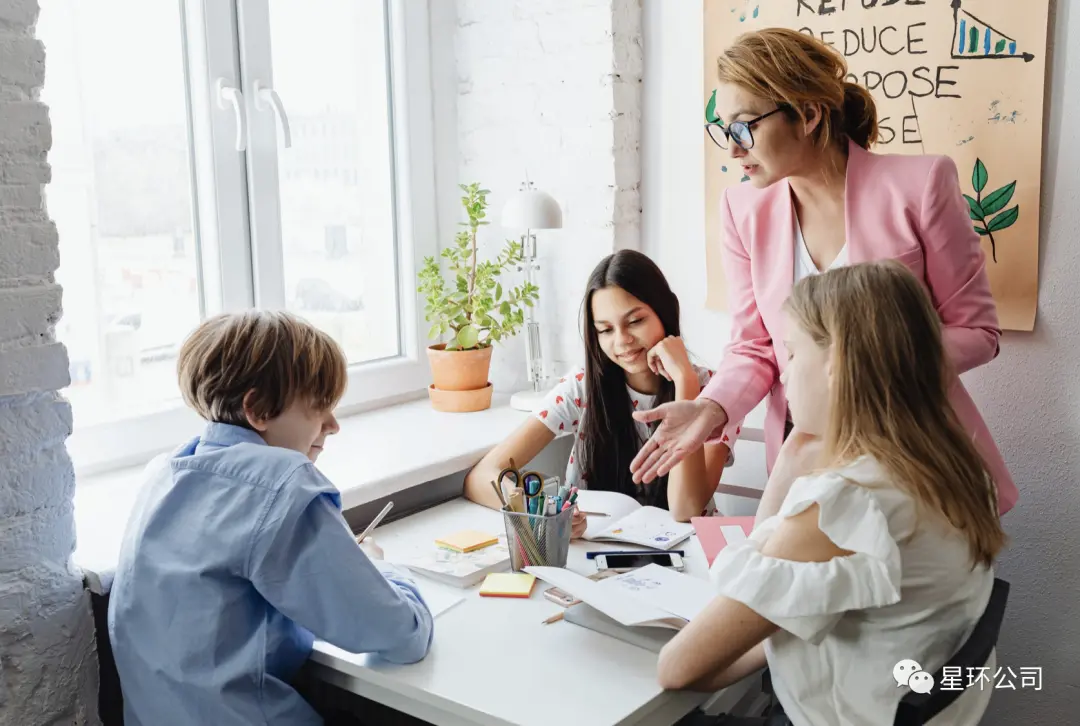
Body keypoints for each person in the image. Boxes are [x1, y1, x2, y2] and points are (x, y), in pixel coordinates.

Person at [629, 28, 1018, 517]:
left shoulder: (920, 185)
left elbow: (978, 332)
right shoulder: (741, 209)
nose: (732, 148)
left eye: (744, 126)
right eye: (724, 129)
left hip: (912, 452)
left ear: (809, 114)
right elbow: (754, 346)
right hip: (806, 460)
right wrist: (711, 408)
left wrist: (865, 365)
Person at [658, 261, 1006, 725]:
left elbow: (678, 667)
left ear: (836, 363)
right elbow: (764, 606)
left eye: (794, 352)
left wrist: (789, 463)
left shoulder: (848, 502)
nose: (784, 373)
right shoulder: (956, 468)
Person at [108, 311, 434, 726]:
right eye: (319, 408)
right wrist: (378, 566)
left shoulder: (164, 475)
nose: (333, 425)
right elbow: (401, 636)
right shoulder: (282, 486)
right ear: (258, 408)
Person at [464, 249, 733, 526]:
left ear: (666, 311)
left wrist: (685, 382)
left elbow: (686, 509)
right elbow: (482, 476)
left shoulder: (715, 393)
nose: (622, 341)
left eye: (635, 321)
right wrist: (541, 513)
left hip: (689, 555)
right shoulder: (581, 388)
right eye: (605, 330)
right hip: (598, 555)